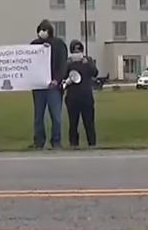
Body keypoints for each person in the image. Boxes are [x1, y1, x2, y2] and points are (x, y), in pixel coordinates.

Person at [30, 19, 68, 149]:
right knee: (38, 117)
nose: (42, 32)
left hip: (53, 87)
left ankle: (56, 141)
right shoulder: (34, 45)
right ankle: (39, 141)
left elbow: (62, 64)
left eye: (45, 30)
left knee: (56, 116)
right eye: (41, 30)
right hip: (39, 87)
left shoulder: (58, 44)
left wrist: (57, 79)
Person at [63, 40, 98, 148]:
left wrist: (87, 63)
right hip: (72, 97)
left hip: (86, 96)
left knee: (89, 122)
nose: (77, 52)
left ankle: (92, 143)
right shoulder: (68, 62)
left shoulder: (88, 60)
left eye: (79, 50)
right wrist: (69, 65)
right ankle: (73, 143)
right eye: (75, 50)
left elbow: (95, 73)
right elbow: (64, 75)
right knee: (73, 123)